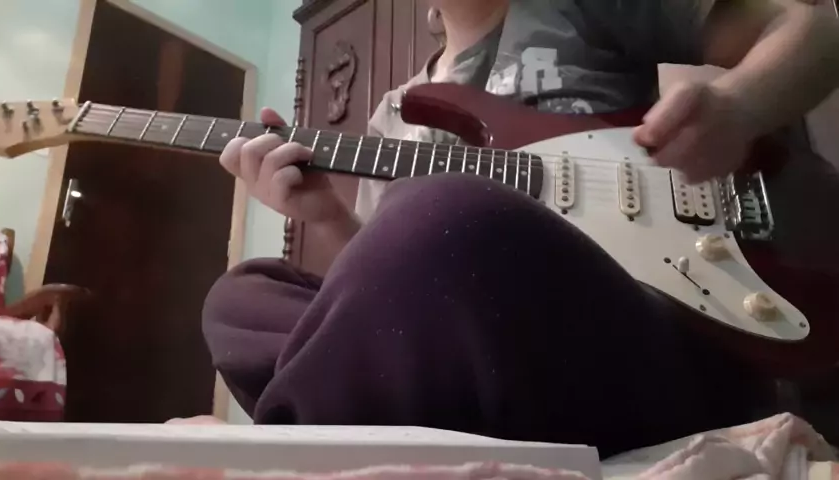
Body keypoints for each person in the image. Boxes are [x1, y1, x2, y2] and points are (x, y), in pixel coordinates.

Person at [201, 0, 839, 457]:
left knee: (437, 211)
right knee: (241, 299)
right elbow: (390, 293)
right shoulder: (393, 114)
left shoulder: (578, 10)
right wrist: (328, 217)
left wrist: (738, 107)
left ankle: (300, 457)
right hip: (494, 372)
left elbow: (815, 31)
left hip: (648, 326)